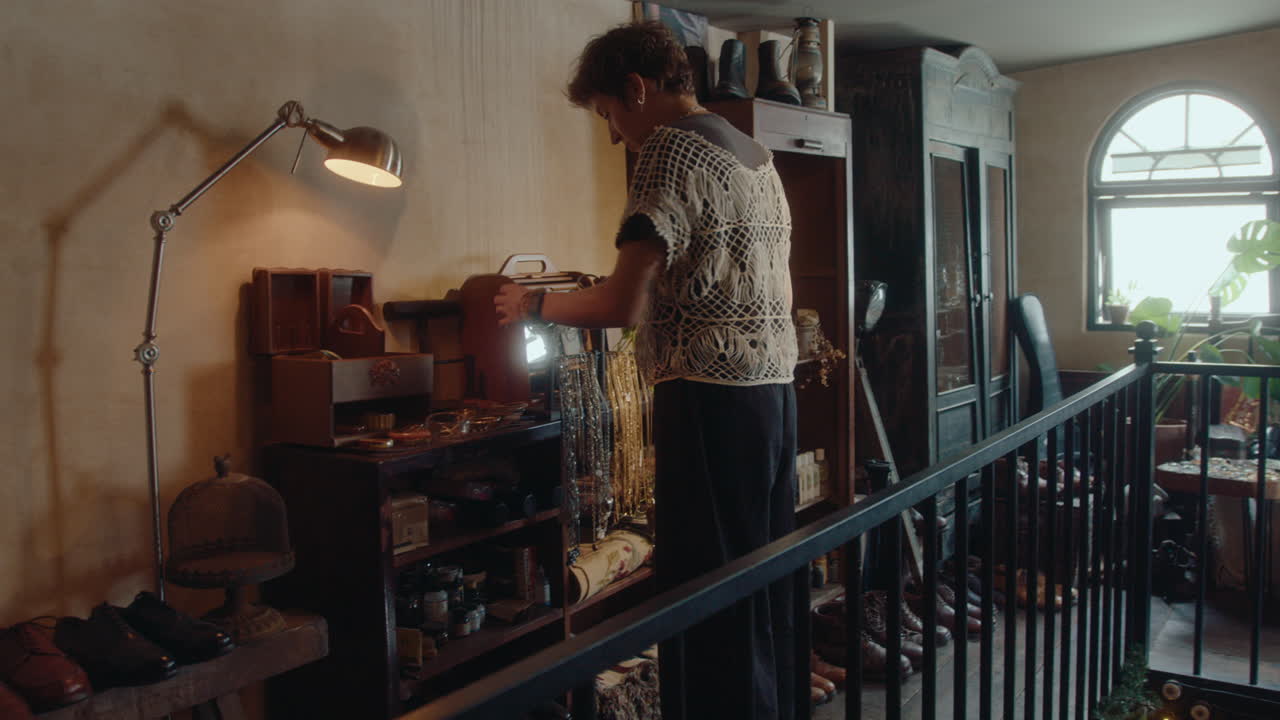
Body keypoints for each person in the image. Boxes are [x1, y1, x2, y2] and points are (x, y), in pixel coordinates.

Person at [494, 21, 800, 720]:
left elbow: (623, 303)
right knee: (762, 587)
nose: (611, 134)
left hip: (710, 401)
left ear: (636, 88)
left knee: (707, 592)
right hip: (773, 399)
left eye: (607, 113)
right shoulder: (754, 154)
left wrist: (534, 302)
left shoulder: (668, 148)